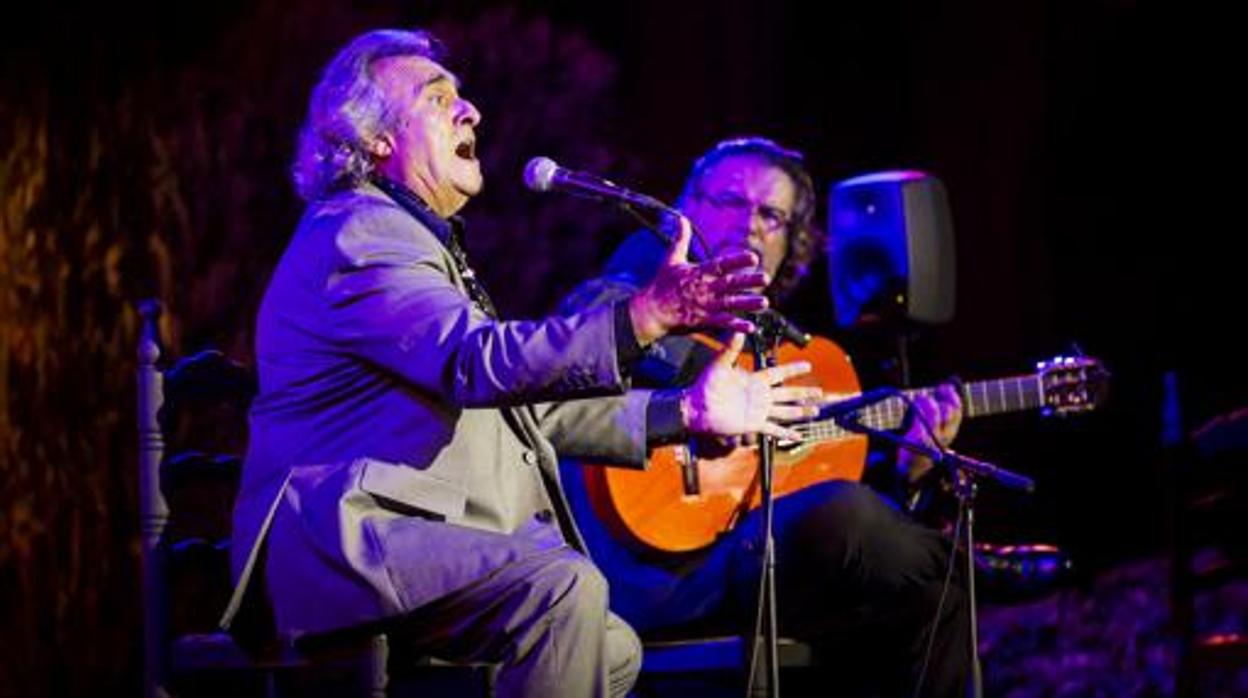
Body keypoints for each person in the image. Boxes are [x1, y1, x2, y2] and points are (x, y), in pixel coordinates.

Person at [223, 31, 824, 698]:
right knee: (563, 590)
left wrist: (682, 412)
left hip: (411, 534)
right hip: (345, 543)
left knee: (610, 644)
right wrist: (645, 317)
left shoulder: (417, 241)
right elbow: (477, 364)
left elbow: (522, 406)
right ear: (377, 141)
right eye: (438, 98)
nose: (470, 110)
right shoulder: (361, 231)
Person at [559, 136, 971, 697]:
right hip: (652, 574)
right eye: (731, 201)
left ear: (792, 244)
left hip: (749, 558)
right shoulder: (627, 290)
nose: (750, 224)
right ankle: (970, 564)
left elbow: (807, 491)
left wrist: (908, 471)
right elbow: (585, 340)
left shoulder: (788, 352)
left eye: (771, 215)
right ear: (689, 208)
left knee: (927, 596)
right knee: (849, 516)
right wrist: (715, 392)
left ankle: (956, 565)